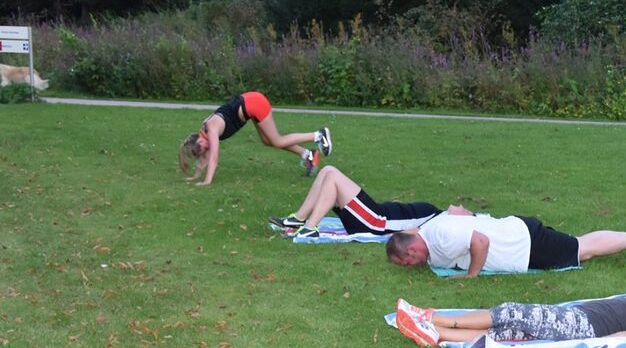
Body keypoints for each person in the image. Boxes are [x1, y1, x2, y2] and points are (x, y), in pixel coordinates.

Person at [393, 293, 626, 346]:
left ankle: (434, 318)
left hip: (584, 325)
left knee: (511, 312)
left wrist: (606, 340)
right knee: (507, 333)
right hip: (584, 323)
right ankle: (433, 334)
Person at [386, 213, 626, 277]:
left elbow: (479, 242)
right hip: (520, 236)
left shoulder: (441, 234)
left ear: (411, 250)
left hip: (524, 243)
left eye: (407, 261)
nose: (411, 266)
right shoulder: (427, 231)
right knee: (581, 246)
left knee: (583, 249)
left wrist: (471, 278)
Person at [268, 165, 468, 239]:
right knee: (328, 170)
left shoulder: (439, 221)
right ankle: (299, 219)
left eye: (465, 210)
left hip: (375, 222)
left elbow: (416, 233)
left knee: (333, 177)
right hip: (375, 214)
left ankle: (311, 227)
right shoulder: (437, 213)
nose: (461, 206)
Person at [178, 92, 331, 186]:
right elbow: (205, 157)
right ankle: (308, 155)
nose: (206, 149)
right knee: (267, 141)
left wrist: (207, 181)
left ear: (199, 140)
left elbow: (214, 158)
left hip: (254, 103)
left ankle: (319, 135)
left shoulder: (211, 129)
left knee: (277, 140)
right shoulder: (203, 132)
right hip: (249, 105)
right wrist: (196, 176)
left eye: (204, 148)